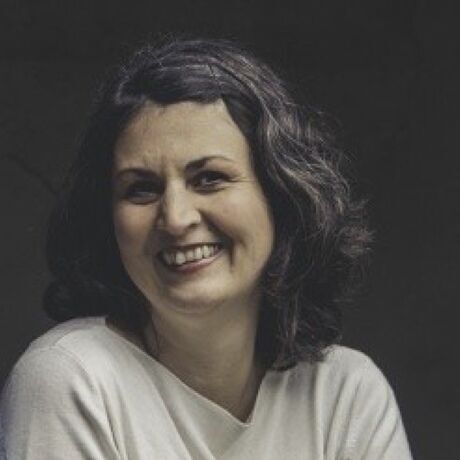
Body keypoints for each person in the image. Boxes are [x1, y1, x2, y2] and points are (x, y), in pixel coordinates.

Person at [0, 37, 412, 459]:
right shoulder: (72, 377)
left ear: (280, 195)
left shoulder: (346, 394)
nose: (176, 218)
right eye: (141, 189)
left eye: (209, 178)